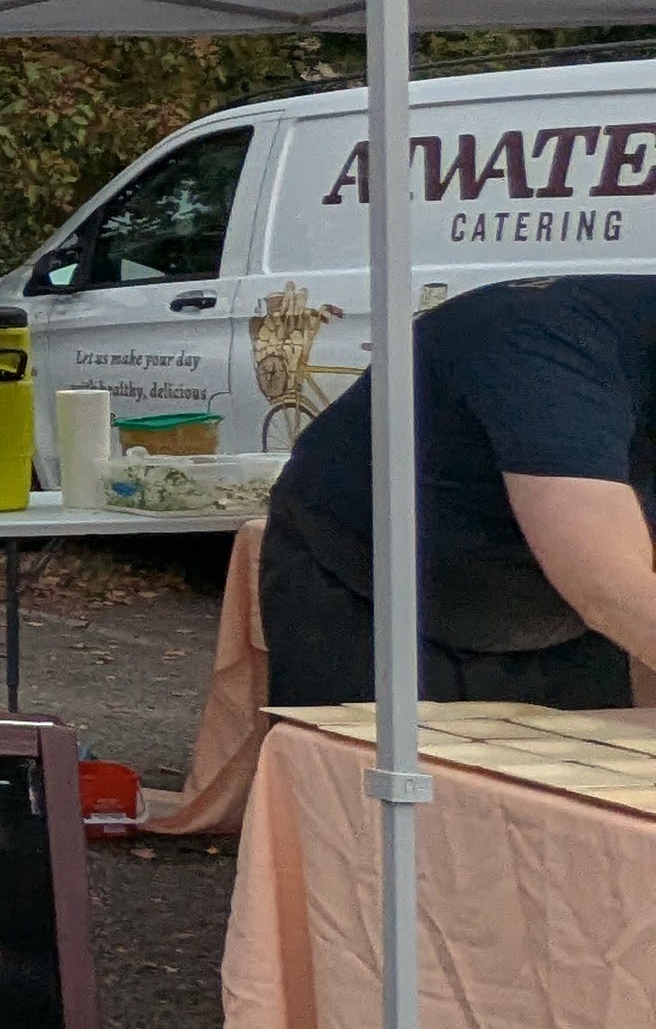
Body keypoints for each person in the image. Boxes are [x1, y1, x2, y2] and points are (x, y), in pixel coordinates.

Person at [259, 274, 656, 711]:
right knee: (372, 770)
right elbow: (609, 585)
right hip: (370, 585)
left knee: (581, 772)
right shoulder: (547, 347)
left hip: (546, 610)